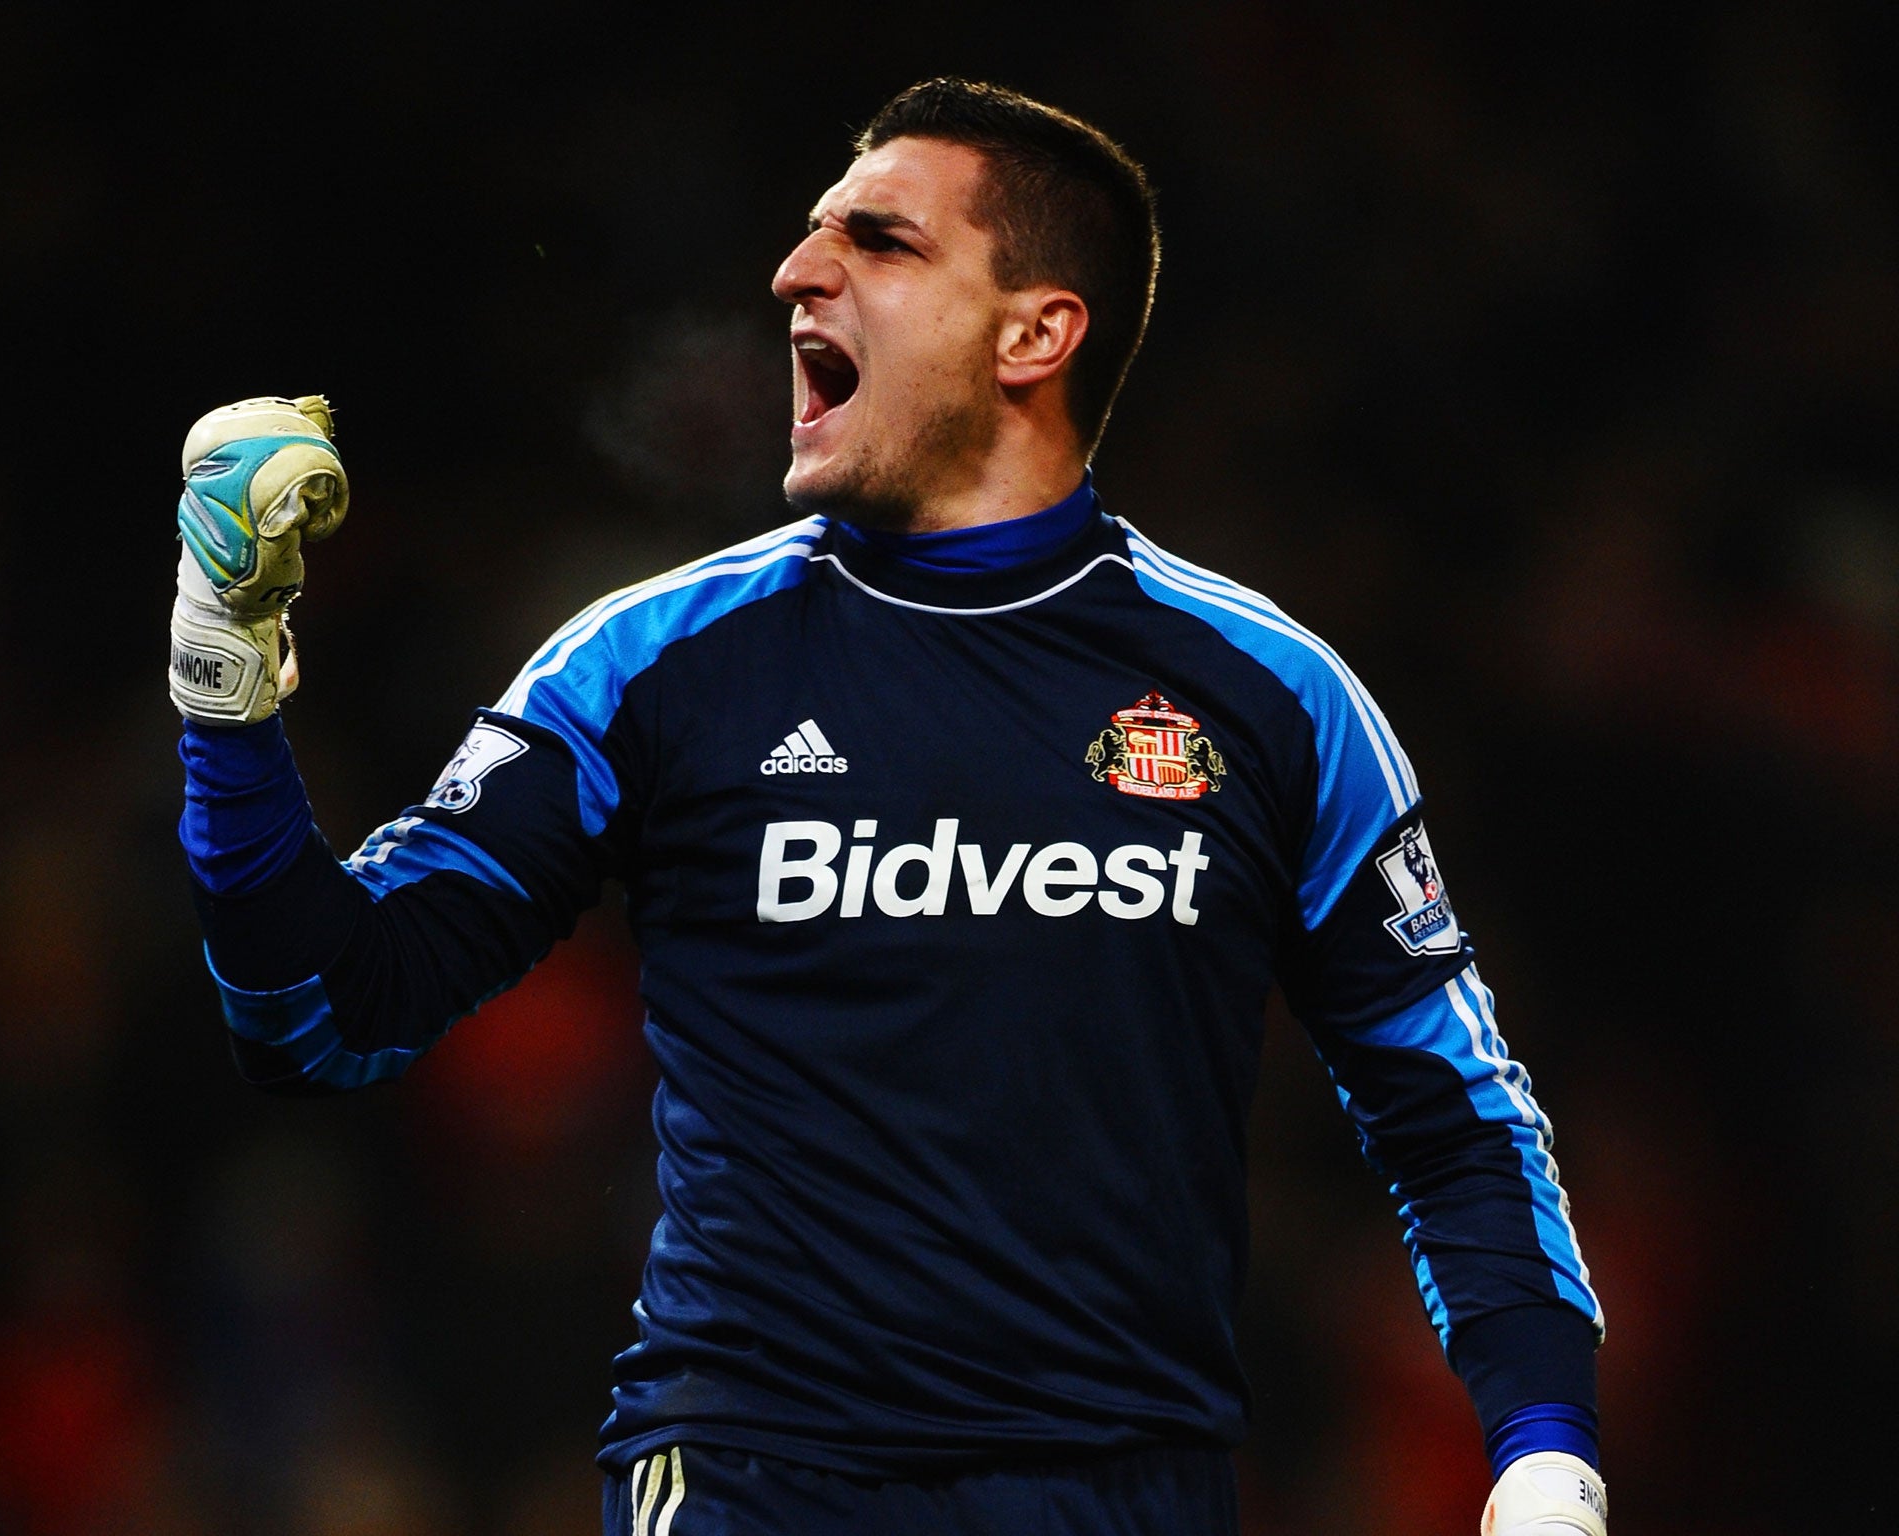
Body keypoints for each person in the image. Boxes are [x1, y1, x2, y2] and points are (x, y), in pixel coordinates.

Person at [169, 78, 1607, 1536]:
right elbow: (323, 1013)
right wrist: (226, 688)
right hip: (749, 1482)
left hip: (1122, 1499)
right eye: (808, 237)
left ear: (1035, 333)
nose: (798, 271)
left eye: (881, 241)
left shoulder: (1272, 698)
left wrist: (1546, 1446)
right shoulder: (653, 667)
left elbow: (1456, 1116)